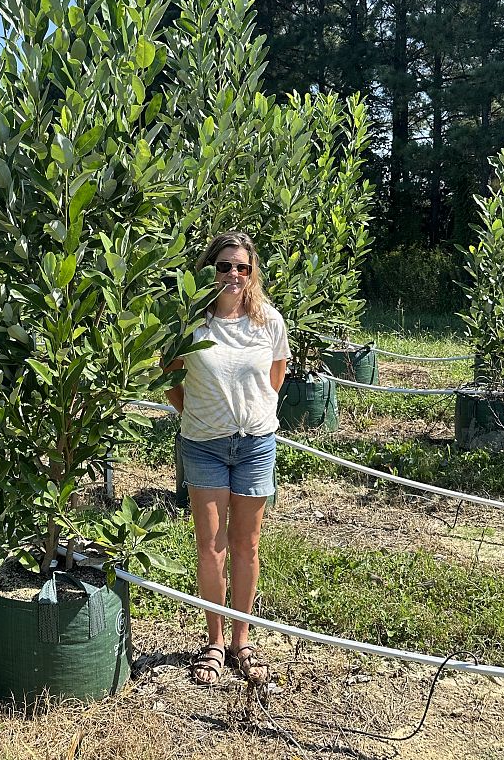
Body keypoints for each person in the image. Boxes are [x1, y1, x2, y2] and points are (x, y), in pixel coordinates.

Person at [164, 231, 290, 685]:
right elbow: (171, 380)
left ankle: (242, 640)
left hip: (255, 444)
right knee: (211, 547)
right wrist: (200, 414)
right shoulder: (193, 326)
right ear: (209, 272)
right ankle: (215, 641)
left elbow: (274, 379)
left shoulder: (269, 322)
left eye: (242, 266)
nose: (233, 274)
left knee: (247, 545)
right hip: (204, 445)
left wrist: (248, 414)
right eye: (223, 266)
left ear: (253, 271)